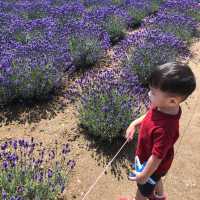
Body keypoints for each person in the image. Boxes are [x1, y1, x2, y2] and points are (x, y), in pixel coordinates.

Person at [119, 62, 196, 200]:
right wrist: (134, 123)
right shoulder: (164, 107)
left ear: (172, 101)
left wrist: (144, 175)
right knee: (157, 177)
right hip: (157, 165)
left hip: (151, 165)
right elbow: (150, 115)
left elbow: (156, 157)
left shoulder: (165, 129)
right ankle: (160, 196)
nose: (149, 94)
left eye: (153, 93)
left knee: (143, 191)